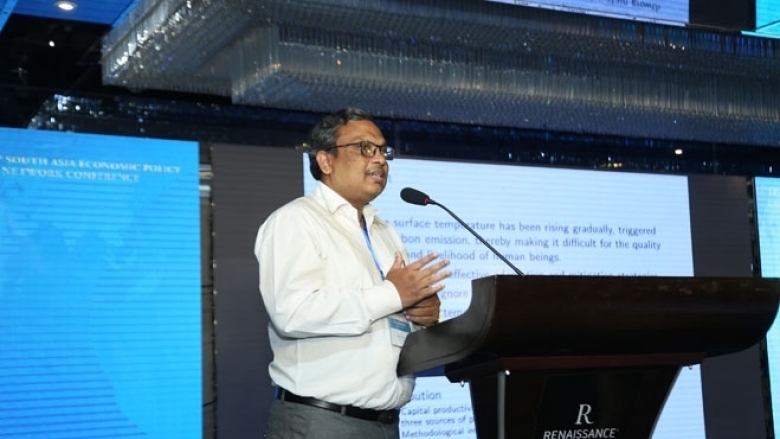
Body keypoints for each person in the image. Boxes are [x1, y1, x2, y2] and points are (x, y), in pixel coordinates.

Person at [254, 108, 452, 439]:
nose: (380, 160)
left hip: (386, 424)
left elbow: (391, 317)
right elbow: (292, 313)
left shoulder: (385, 233)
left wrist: (424, 316)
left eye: (383, 150)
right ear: (326, 161)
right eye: (364, 148)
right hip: (320, 422)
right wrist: (394, 294)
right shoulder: (296, 221)